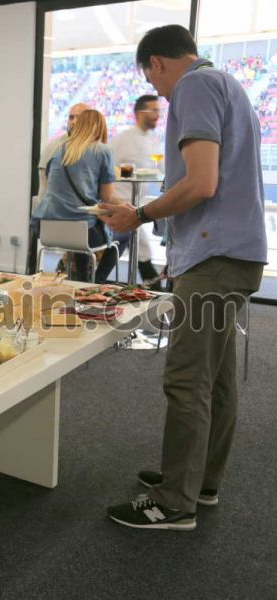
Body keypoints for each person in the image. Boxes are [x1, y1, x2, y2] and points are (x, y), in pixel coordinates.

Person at [101, 25, 267, 530]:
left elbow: (201, 182)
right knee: (216, 378)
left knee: (187, 377)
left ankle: (174, 501)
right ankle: (199, 481)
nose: (159, 93)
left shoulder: (194, 86)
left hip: (216, 256)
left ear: (156, 63)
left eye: (153, 80)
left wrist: (140, 214)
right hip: (230, 253)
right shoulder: (227, 84)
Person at [32, 109, 127, 282]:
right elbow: (107, 197)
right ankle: (98, 282)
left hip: (47, 228)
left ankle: (83, 280)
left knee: (81, 222)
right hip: (82, 232)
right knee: (126, 232)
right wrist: (126, 206)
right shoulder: (102, 151)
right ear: (100, 128)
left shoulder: (58, 150)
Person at [109, 94, 163, 287]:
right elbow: (107, 168)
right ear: (140, 113)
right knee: (139, 248)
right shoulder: (123, 139)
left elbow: (161, 167)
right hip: (118, 204)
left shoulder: (152, 140)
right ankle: (156, 290)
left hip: (135, 205)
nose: (158, 115)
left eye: (159, 110)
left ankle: (155, 289)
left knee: (139, 248)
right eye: (154, 110)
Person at [37, 102, 90, 199]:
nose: (73, 122)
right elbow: (44, 189)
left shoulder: (98, 150)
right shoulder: (53, 147)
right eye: (71, 117)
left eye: (79, 118)